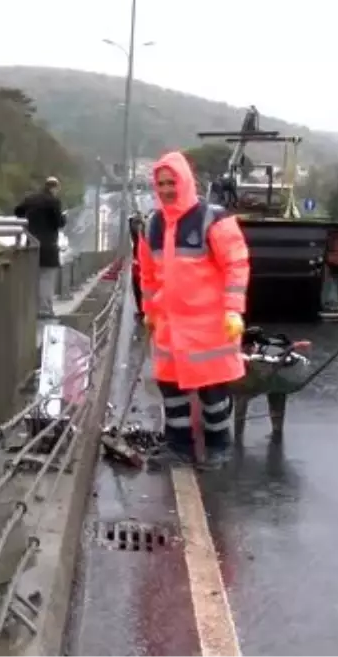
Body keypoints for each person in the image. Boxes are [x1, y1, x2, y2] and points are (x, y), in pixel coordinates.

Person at [137, 151, 250, 452]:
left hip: (209, 328)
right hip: (169, 327)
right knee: (170, 389)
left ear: (184, 181)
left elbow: (236, 264)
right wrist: (149, 311)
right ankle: (178, 446)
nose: (165, 189)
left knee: (213, 392)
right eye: (160, 184)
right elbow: (147, 275)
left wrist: (233, 311)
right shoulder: (152, 226)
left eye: (171, 182)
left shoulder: (212, 219)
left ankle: (218, 445)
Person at [14, 177, 67, 318]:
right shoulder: (53, 202)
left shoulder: (31, 199)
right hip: (48, 246)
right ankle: (44, 310)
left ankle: (31, 308)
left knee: (33, 277)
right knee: (47, 278)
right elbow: (59, 222)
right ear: (55, 188)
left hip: (31, 244)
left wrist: (30, 219)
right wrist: (63, 218)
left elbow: (18, 211)